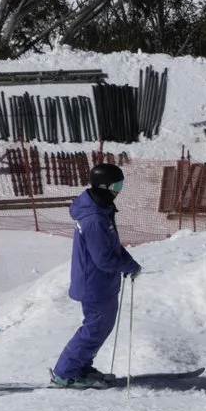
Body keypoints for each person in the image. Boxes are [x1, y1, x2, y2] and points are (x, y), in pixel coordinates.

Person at [51, 161, 142, 389]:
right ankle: (65, 373)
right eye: (117, 186)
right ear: (104, 186)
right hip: (94, 284)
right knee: (94, 329)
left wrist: (128, 261)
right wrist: (128, 266)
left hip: (101, 282)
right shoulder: (94, 218)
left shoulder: (101, 208)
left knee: (99, 328)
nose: (119, 191)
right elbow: (104, 258)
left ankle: (80, 367)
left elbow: (110, 247)